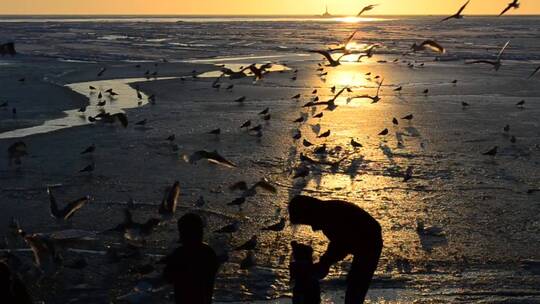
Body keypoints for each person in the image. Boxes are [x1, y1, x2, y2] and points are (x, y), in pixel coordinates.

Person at [288, 195, 383, 304]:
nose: (312, 227)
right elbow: (339, 244)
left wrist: (325, 262)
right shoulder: (326, 212)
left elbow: (341, 245)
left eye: (307, 221)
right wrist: (325, 262)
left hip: (370, 242)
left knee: (357, 284)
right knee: (355, 284)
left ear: (308, 213)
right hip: (367, 237)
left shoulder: (330, 216)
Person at [162, 213, 219, 304]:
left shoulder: (180, 254)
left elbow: (168, 277)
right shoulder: (209, 252)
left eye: (181, 232)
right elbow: (212, 271)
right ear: (200, 232)